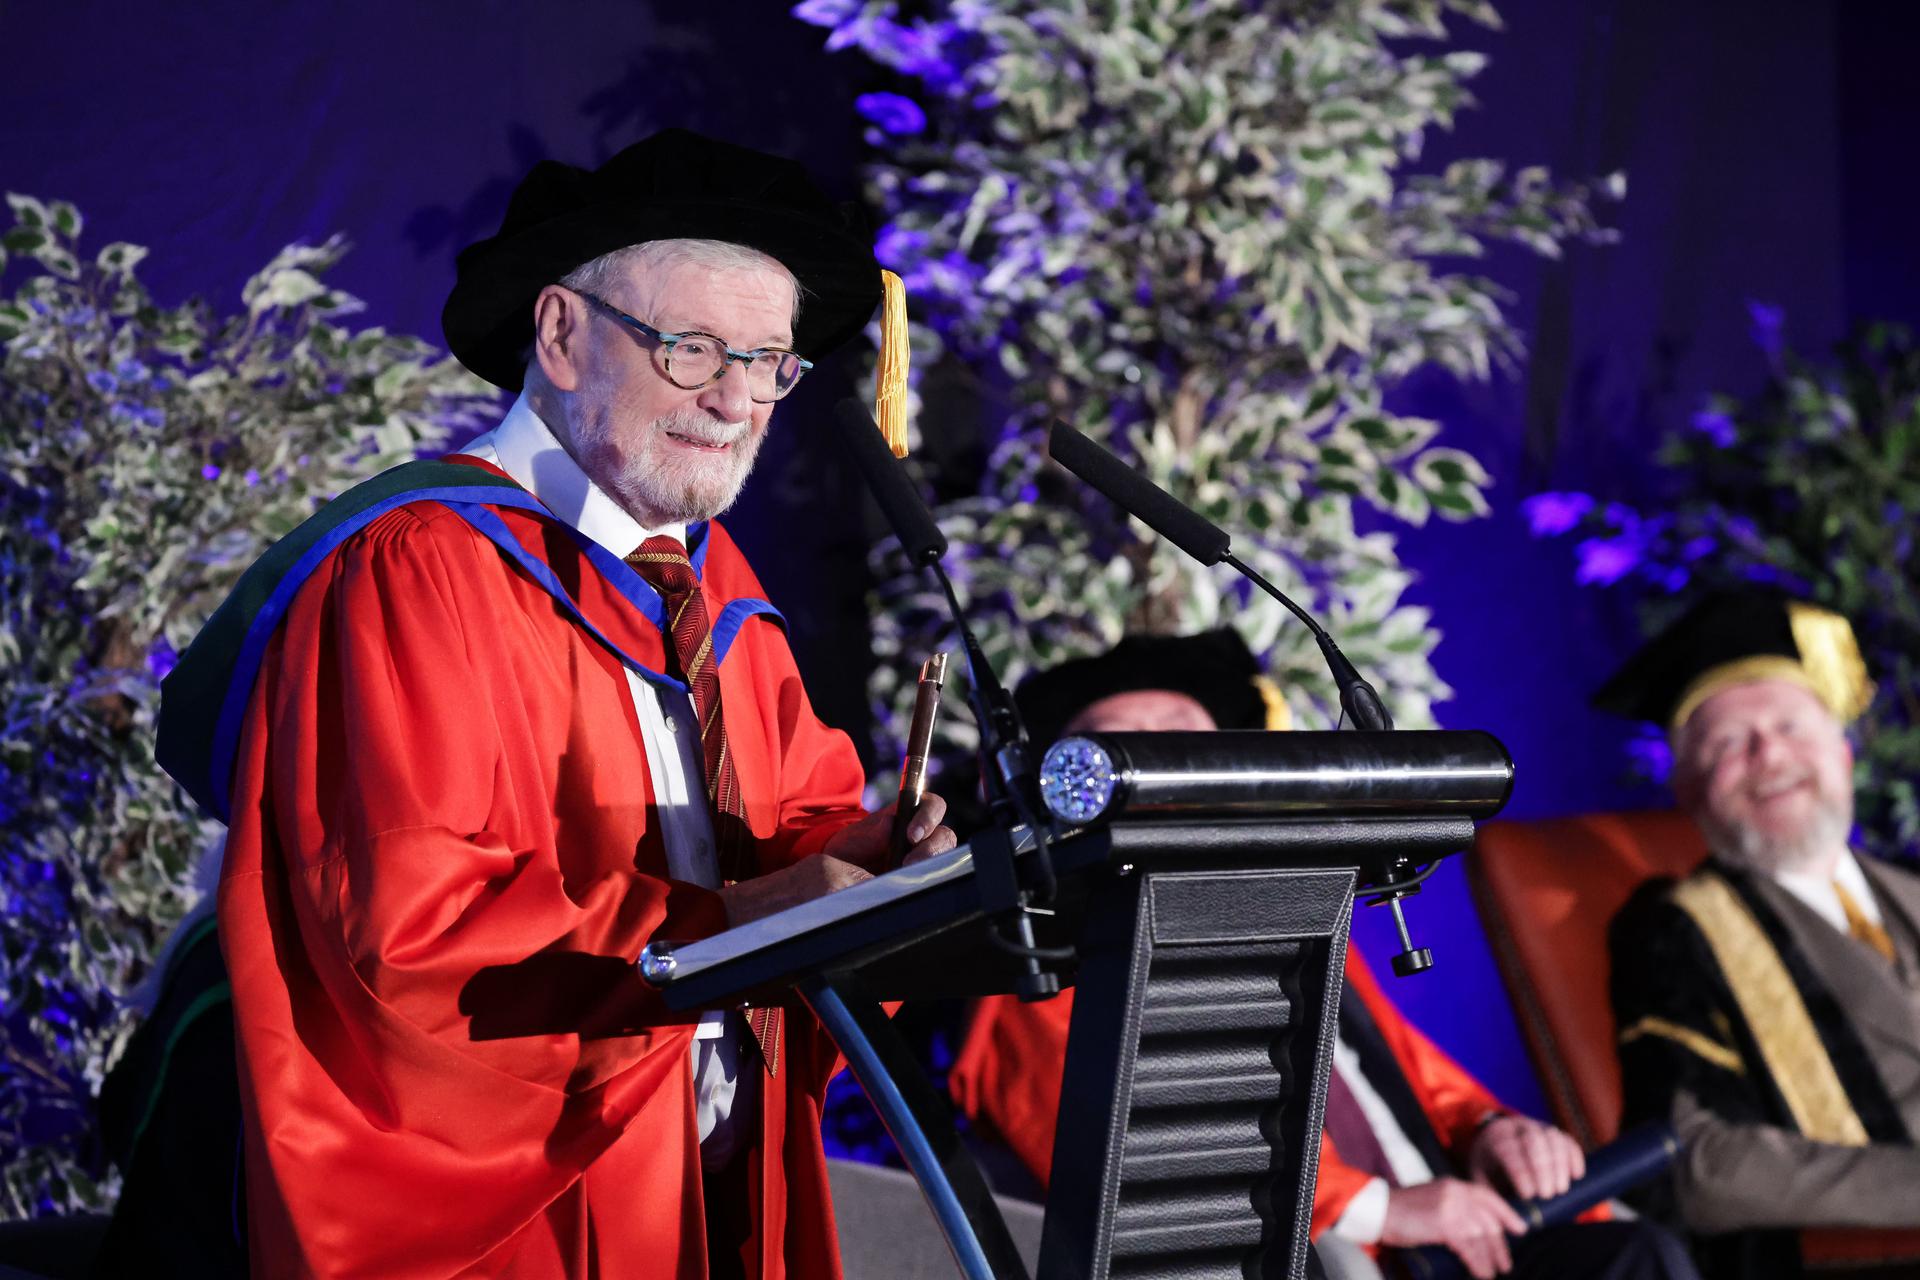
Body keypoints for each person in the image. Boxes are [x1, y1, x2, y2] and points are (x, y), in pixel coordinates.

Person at [153, 129, 955, 1280]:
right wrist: (745, 919)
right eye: (692, 349)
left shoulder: (714, 592)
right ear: (563, 333)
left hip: (709, 1194)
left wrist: (860, 859)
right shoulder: (418, 567)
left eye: (770, 360)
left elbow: (797, 812)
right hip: (529, 1211)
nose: (736, 399)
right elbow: (415, 937)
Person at [951, 632, 1695, 1280]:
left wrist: (1496, 1129)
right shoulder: (1045, 960)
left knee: (1637, 1257)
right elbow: (1130, 1154)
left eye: (1181, 734)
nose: (1160, 760)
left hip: (1459, 1240)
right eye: (1123, 744)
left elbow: (1415, 1081)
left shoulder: (1288, 907)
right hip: (1305, 1256)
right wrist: (1382, 1210)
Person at [1602, 592, 1920, 1278]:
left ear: (1842, 751)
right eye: (1728, 743)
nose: (1770, 755)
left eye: (1790, 726)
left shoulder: (1911, 893)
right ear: (1688, 787)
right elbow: (1699, 1163)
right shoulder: (1675, 934)